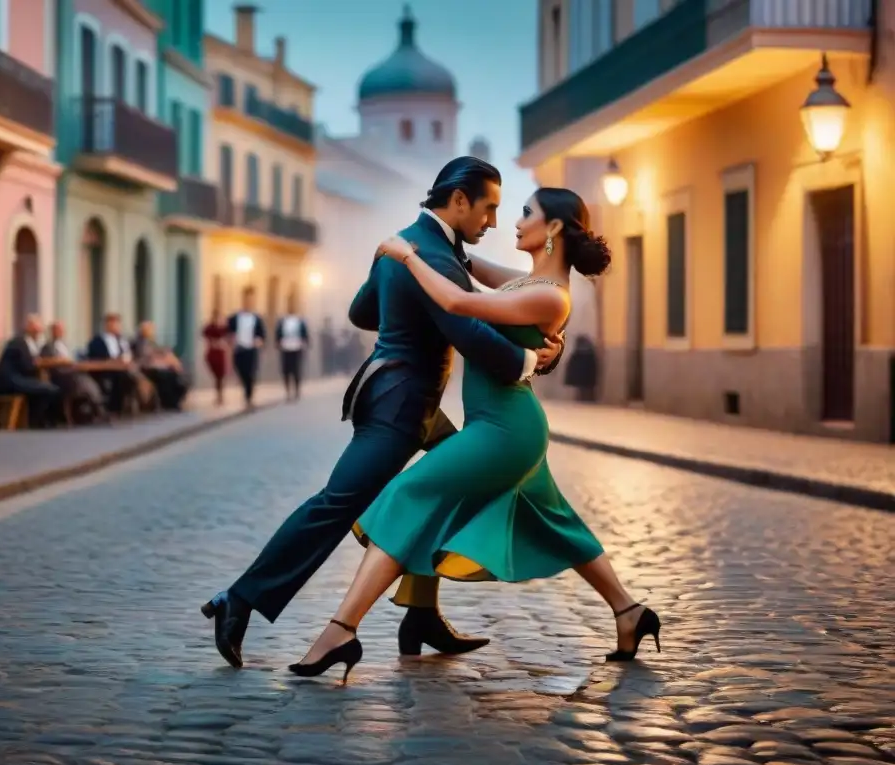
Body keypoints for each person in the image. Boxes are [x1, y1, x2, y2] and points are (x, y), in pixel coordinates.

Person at [201, 157, 563, 669]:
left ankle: (421, 612)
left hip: (407, 400)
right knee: (335, 504)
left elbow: (360, 312)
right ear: (458, 200)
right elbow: (470, 334)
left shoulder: (411, 242)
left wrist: (399, 299)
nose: (493, 222)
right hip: (399, 406)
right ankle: (237, 600)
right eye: (488, 209)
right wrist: (530, 360)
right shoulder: (432, 255)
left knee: (447, 490)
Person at [290, 188, 660, 683]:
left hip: (504, 430)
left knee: (407, 493)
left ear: (553, 229)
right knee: (554, 520)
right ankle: (629, 613)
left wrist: (405, 255)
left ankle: (341, 629)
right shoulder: (527, 284)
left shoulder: (548, 294)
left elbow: (458, 301)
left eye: (527, 212)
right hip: (503, 426)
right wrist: (436, 235)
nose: (513, 219)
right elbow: (469, 270)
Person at [0, 314, 62, 428]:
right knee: (47, 389)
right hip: (9, 382)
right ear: (28, 328)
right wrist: (38, 363)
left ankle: (37, 420)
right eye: (36, 330)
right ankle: (36, 422)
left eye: (39, 330)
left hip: (18, 379)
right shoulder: (19, 342)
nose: (38, 333)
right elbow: (27, 366)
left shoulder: (29, 343)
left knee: (47, 388)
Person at [40, 320, 108, 424]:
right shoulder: (47, 347)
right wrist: (61, 362)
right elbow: (48, 364)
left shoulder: (65, 345)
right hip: (59, 376)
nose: (60, 332)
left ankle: (97, 406)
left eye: (62, 330)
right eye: (57, 330)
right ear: (52, 331)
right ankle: (97, 408)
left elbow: (73, 360)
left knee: (87, 378)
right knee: (82, 380)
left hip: (72, 372)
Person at [133, 321, 189, 411]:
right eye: (149, 329)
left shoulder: (152, 342)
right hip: (145, 368)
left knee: (176, 376)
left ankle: (174, 401)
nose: (151, 331)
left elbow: (161, 352)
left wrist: (168, 359)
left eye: (152, 329)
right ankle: (169, 403)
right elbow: (145, 358)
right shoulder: (139, 342)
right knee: (165, 375)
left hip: (157, 367)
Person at [227, 287, 266, 410]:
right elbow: (228, 331)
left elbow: (262, 334)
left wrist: (259, 340)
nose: (249, 302)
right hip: (239, 348)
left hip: (251, 349)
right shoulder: (234, 317)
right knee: (241, 371)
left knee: (250, 373)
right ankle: (245, 389)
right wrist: (230, 339)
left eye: (251, 300)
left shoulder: (257, 318)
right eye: (247, 299)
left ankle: (248, 397)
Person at [275, 295, 310, 402]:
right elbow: (278, 334)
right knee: (286, 370)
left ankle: (296, 390)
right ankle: (288, 391)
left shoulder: (300, 320)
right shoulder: (282, 320)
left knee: (296, 370)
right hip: (285, 348)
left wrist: (304, 343)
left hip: (296, 347)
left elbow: (305, 334)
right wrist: (278, 342)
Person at [202, 309, 230, 406]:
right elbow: (209, 340)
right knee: (217, 375)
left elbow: (227, 340)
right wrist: (219, 343)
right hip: (213, 354)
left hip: (221, 354)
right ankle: (219, 394)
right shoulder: (209, 328)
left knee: (221, 375)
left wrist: (223, 344)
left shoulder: (224, 328)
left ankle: (220, 395)